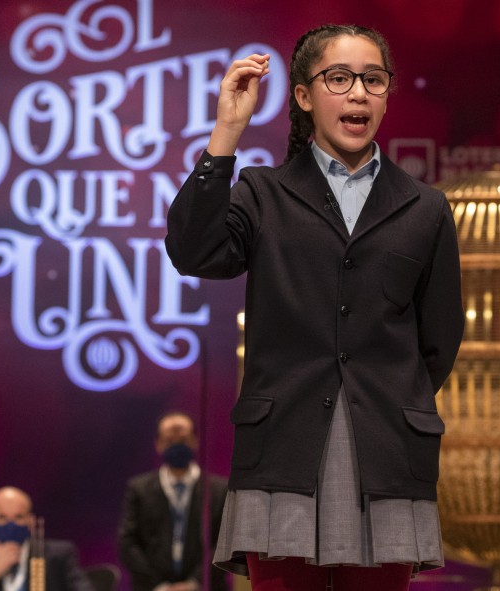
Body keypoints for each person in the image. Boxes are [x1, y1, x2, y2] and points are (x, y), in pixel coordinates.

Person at [164, 24, 464, 591]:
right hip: (282, 448)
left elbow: (439, 339)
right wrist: (228, 129)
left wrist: (392, 402)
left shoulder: (425, 208)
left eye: (373, 80)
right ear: (304, 96)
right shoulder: (263, 192)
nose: (358, 93)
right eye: (340, 78)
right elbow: (193, 250)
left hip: (387, 453)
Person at [118, 412, 229, 591]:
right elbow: (127, 542)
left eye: (183, 439)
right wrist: (158, 586)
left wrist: (194, 583)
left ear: (194, 441)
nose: (177, 446)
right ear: (158, 444)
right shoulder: (139, 488)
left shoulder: (218, 489)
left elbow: (223, 542)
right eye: (170, 440)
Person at [0, 487, 96, 591]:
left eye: (19, 517)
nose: (11, 524)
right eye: (2, 517)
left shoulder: (57, 557)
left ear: (31, 522)